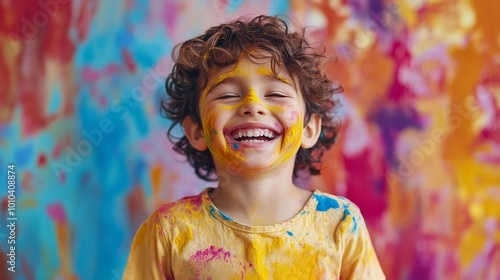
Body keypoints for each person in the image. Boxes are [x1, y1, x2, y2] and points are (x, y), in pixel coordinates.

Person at [124, 15, 385, 279]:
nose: (252, 105)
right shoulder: (168, 232)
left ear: (309, 129)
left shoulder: (340, 223)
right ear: (197, 131)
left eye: (276, 94)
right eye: (227, 95)